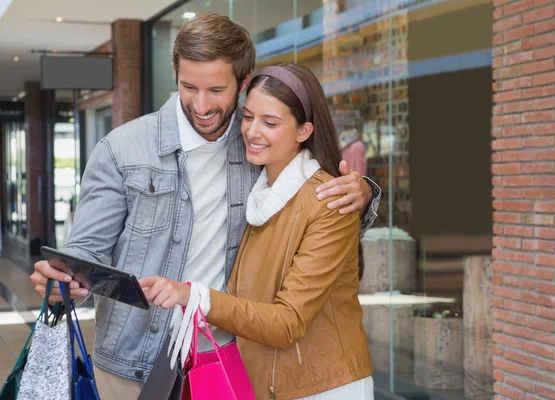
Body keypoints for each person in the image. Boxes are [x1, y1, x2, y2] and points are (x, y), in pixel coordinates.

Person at [28, 12, 380, 400]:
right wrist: (66, 279)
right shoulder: (122, 149)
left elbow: (308, 214)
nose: (200, 105)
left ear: (243, 82)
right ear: (175, 73)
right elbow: (86, 251)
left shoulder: (256, 149)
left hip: (226, 360)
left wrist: (362, 193)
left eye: (216, 90)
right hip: (133, 364)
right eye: (188, 86)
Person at [140, 63, 374, 399]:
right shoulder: (259, 191)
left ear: (304, 131)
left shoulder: (327, 201)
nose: (251, 131)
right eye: (248, 117)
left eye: (270, 122)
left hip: (324, 386)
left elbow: (287, 322)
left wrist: (194, 295)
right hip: (266, 380)